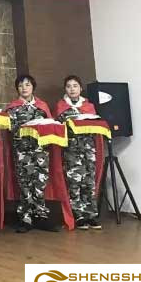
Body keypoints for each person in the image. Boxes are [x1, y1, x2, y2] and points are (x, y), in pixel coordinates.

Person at [6, 74, 58, 233]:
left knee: (40, 183)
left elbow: (50, 126)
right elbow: (9, 128)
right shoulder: (12, 107)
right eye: (20, 85)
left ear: (33, 87)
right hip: (22, 151)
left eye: (27, 85)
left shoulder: (42, 106)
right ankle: (25, 218)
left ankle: (41, 216)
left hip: (41, 151)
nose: (24, 88)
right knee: (25, 183)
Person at [54, 75, 102, 230]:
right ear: (65, 89)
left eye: (75, 86)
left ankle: (91, 214)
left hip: (88, 149)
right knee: (75, 182)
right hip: (71, 150)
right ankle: (79, 215)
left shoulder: (89, 106)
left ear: (81, 88)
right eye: (68, 86)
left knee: (89, 182)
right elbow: (59, 126)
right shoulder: (61, 106)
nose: (72, 89)